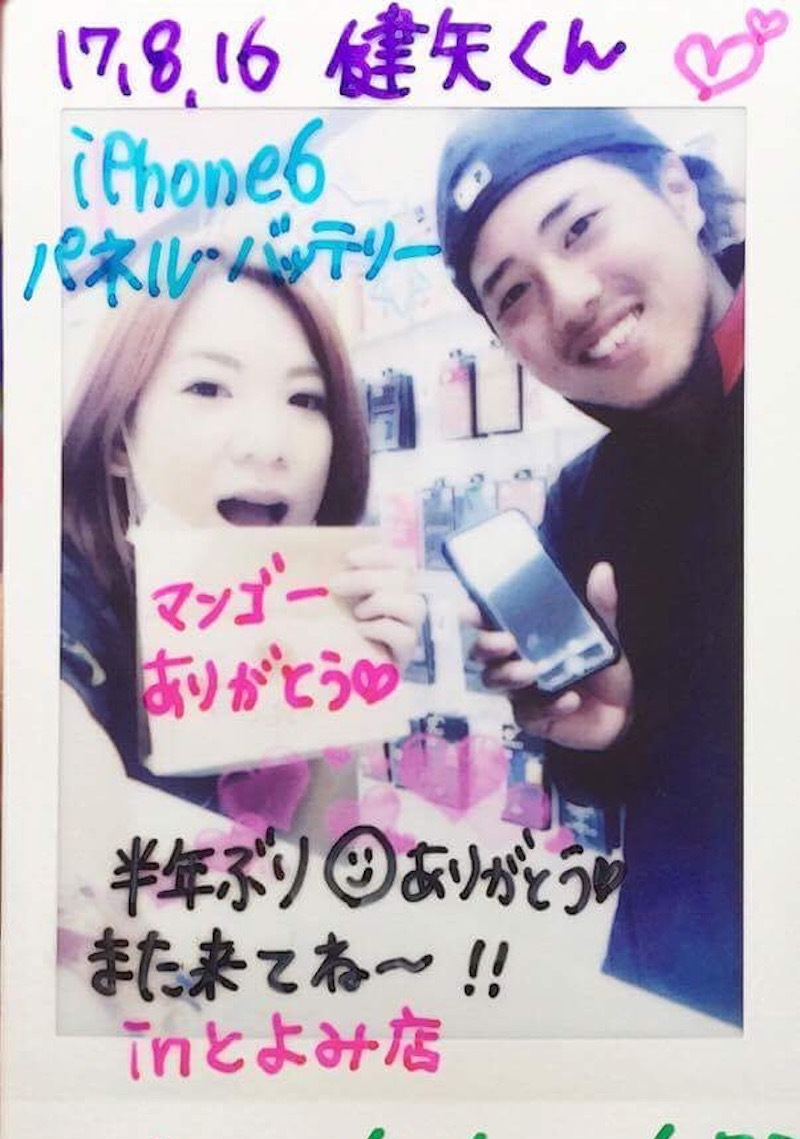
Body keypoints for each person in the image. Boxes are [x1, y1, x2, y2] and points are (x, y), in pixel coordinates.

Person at [437, 108, 743, 1025]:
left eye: (580, 227)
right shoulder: (583, 501)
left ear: (679, 192)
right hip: (674, 992)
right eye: (513, 296)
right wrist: (602, 740)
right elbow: (634, 789)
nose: (569, 298)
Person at [61, 255, 425, 835]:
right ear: (119, 439)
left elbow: (315, 861)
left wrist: (343, 691)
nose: (268, 444)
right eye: (208, 388)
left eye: (304, 399)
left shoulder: (307, 604)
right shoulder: (55, 590)